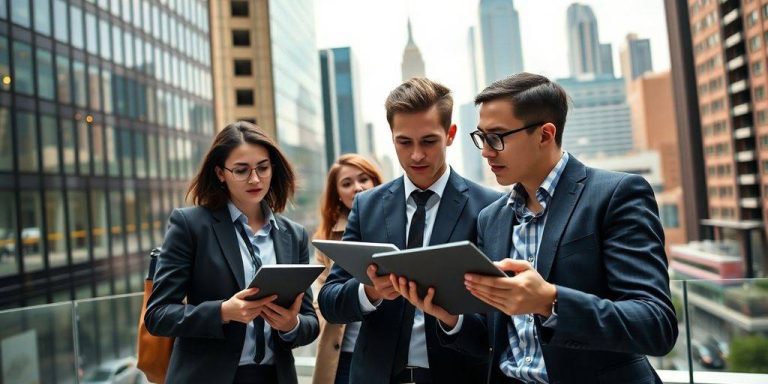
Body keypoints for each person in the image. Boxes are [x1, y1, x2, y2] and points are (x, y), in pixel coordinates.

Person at [393, 73, 678, 383]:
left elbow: (655, 325)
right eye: (482, 137)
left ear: (545, 134)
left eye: (497, 137)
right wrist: (451, 317)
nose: (486, 151)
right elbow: (493, 341)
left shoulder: (615, 195)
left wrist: (550, 301)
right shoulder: (492, 218)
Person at [318, 78, 502, 384]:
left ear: (450, 135)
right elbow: (330, 301)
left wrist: (452, 318)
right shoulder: (367, 206)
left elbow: (499, 325)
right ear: (392, 138)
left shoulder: (489, 207)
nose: (416, 155)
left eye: (428, 141)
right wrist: (370, 292)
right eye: (404, 142)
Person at [144, 122, 319, 384]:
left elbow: (310, 323)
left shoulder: (293, 235)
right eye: (241, 170)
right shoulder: (191, 225)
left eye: (263, 168)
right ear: (220, 173)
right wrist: (223, 312)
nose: (255, 179)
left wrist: (290, 325)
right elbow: (158, 315)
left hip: (274, 377)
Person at [312, 154, 384, 384]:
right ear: (338, 195)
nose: (357, 188)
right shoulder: (326, 239)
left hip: (386, 354)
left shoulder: (396, 226)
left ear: (376, 182)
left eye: (363, 179)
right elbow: (320, 299)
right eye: (346, 183)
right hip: (343, 355)